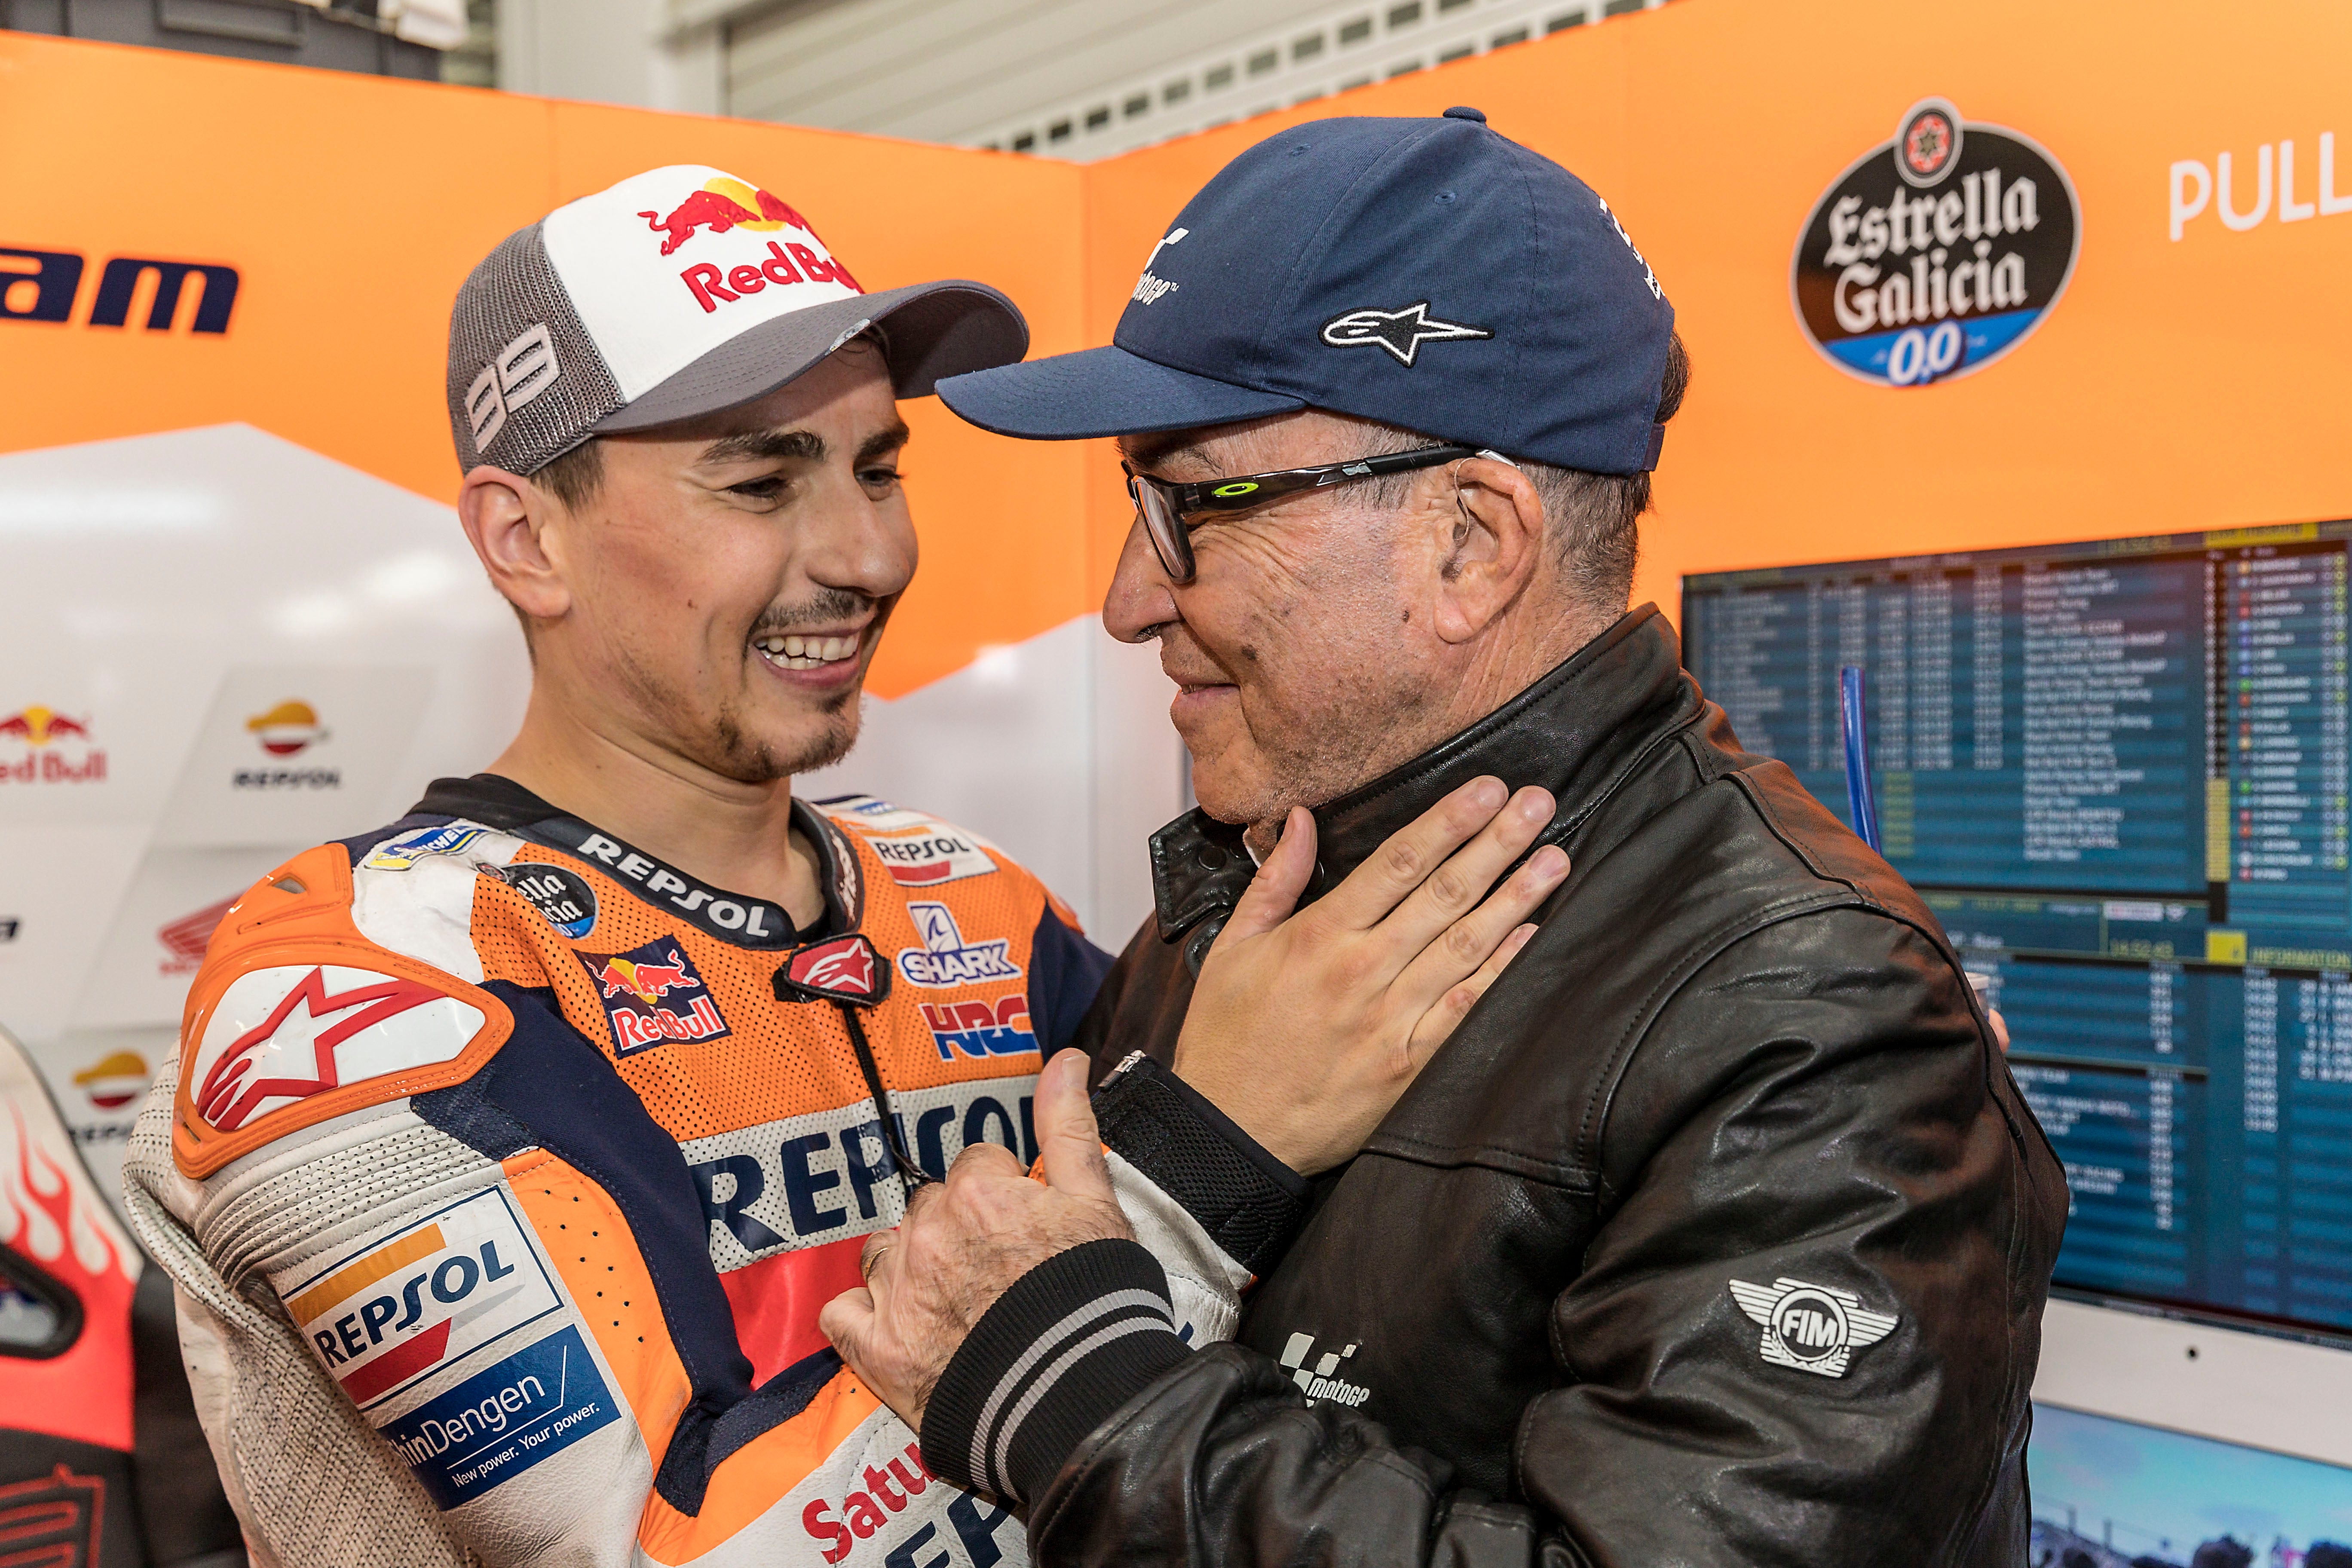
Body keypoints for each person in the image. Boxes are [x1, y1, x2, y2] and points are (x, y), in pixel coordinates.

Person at [118, 165, 1559, 1568]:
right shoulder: (359, 989)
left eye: (880, 469)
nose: (870, 555)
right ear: (525, 539)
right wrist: (1195, 1167)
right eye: (762, 482)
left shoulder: (976, 902)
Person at [821, 108, 2071, 1565]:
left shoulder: (1810, 1011)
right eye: (1134, 505)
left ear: (1472, 542)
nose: (1128, 601)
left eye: (1192, 508)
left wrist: (1088, 1406)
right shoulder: (1255, 873)